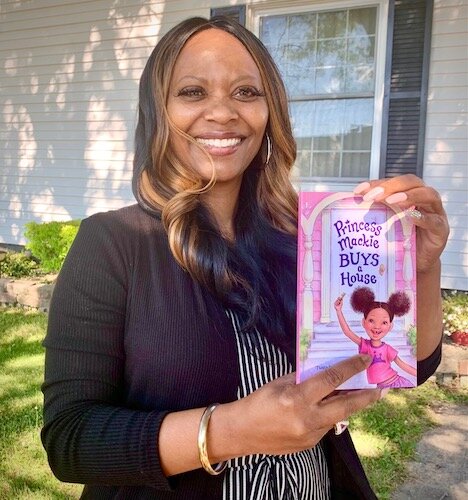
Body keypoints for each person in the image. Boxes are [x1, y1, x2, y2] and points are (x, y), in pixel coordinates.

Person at [41, 16, 449, 500]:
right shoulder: (112, 242)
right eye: (192, 92)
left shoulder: (305, 236)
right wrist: (230, 431)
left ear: (269, 111)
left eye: (246, 93)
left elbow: (408, 366)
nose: (223, 113)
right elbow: (70, 439)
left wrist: (421, 268)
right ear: (158, 111)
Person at [334, 287, 417, 388]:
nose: (377, 326)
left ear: (390, 326)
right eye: (371, 321)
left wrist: (420, 374)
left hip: (396, 384)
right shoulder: (365, 345)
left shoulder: (387, 349)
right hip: (381, 387)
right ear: (363, 322)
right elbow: (347, 332)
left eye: (384, 322)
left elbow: (403, 365)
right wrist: (338, 311)